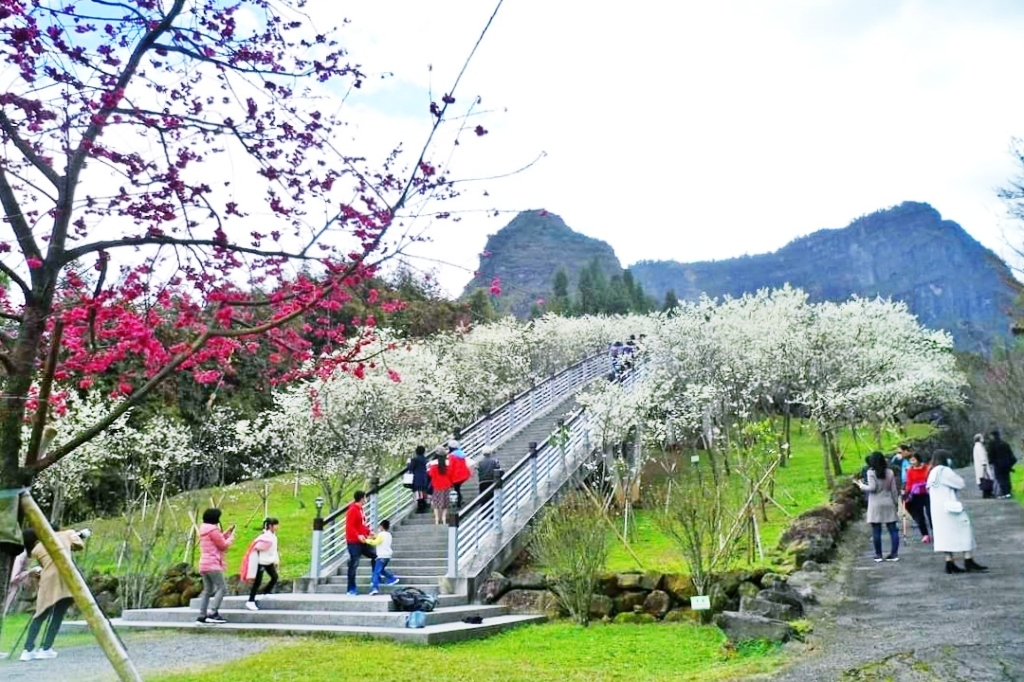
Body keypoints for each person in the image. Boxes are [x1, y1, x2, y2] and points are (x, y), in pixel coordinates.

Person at [19, 526, 88, 661]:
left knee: (40, 615)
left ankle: (28, 650)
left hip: (47, 580)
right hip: (66, 578)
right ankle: (46, 648)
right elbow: (79, 545)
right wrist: (75, 537)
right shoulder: (66, 535)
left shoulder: (37, 549)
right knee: (57, 616)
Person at [926, 449, 988, 574]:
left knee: (945, 536)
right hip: (951, 508)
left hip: (938, 510)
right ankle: (968, 559)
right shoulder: (944, 470)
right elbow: (960, 483)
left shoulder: (932, 472)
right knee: (965, 530)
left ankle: (949, 562)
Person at [854, 451, 900, 562]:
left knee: (876, 530)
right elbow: (894, 490)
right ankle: (894, 554)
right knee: (893, 530)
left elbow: (872, 488)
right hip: (888, 502)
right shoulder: (890, 472)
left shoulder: (871, 472)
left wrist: (861, 485)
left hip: (875, 504)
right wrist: (896, 503)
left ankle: (878, 555)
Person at [197, 508, 234, 624]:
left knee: (207, 590)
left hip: (203, 564)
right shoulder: (213, 530)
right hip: (213, 564)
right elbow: (223, 546)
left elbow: (215, 541)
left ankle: (202, 615)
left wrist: (225, 533)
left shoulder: (204, 529)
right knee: (222, 588)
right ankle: (213, 613)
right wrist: (231, 538)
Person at [242, 517, 280, 611]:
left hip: (268, 561)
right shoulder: (265, 537)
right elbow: (257, 548)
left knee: (274, 577)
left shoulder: (273, 536)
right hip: (261, 562)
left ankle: (266, 592)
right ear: (271, 526)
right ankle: (250, 601)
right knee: (257, 582)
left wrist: (275, 560)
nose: (278, 527)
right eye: (276, 525)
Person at [345, 490, 377, 596]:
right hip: (353, 542)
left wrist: (368, 532)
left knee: (375, 556)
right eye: (365, 497)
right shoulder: (353, 510)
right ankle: (351, 588)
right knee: (354, 564)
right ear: (362, 498)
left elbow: (361, 525)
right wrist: (357, 535)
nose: (366, 499)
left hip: (362, 541)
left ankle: (375, 578)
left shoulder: (361, 509)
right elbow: (350, 526)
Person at [903, 452, 932, 543]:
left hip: (927, 494)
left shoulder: (927, 468)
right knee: (920, 516)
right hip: (916, 495)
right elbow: (909, 483)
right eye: (910, 460)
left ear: (918, 459)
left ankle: (935, 531)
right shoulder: (910, 471)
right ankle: (925, 535)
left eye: (914, 460)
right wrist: (906, 492)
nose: (912, 462)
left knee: (930, 513)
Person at [367, 519, 400, 595]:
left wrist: (366, 540)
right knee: (381, 570)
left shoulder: (381, 535)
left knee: (376, 572)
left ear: (381, 527)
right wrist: (374, 536)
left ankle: (374, 588)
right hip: (387, 556)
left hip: (381, 556)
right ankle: (392, 578)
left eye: (379, 527)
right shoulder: (389, 535)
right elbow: (380, 540)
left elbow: (376, 542)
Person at [987, 430, 1016, 499]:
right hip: (1006, 464)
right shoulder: (1005, 444)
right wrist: (1010, 464)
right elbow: (1011, 455)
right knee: (1007, 478)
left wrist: (991, 462)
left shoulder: (992, 445)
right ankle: (1008, 493)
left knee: (1000, 479)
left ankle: (1004, 493)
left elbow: (991, 455)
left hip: (998, 464)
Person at [427, 449, 453, 525]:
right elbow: (451, 474)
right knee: (446, 502)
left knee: (436, 503)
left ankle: (437, 519)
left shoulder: (433, 465)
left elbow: (430, 474)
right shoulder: (448, 464)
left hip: (436, 485)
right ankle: (444, 518)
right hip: (446, 485)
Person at [447, 440, 471, 507]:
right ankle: (459, 501)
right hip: (464, 473)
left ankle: (459, 502)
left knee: (456, 488)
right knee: (457, 488)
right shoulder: (461, 454)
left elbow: (451, 467)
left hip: (457, 475)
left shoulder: (452, 456)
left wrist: (449, 477)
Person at [408, 445, 430, 513]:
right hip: (425, 477)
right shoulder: (426, 459)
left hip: (417, 478)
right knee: (423, 491)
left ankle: (420, 507)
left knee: (418, 492)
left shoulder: (414, 459)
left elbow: (411, 468)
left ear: (416, 451)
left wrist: (408, 463)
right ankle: (424, 505)